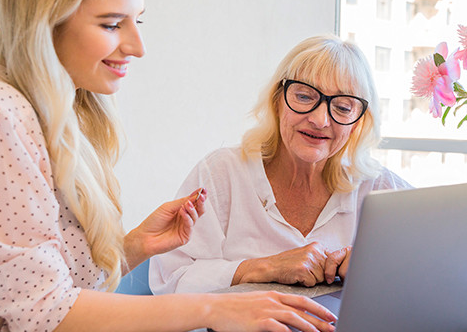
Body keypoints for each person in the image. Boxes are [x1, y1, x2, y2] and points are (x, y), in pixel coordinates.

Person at [0, 0, 337, 331]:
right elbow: (46, 313)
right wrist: (216, 310)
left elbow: (43, 281)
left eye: (136, 21)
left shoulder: (48, 116)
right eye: (111, 24)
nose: (137, 47)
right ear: (45, 19)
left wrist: (135, 246)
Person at [149, 35, 413, 294]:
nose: (320, 120)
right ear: (277, 100)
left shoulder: (380, 188)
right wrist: (262, 268)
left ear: (358, 123)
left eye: (343, 107)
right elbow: (169, 280)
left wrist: (377, 267)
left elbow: (430, 269)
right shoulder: (222, 172)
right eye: (305, 96)